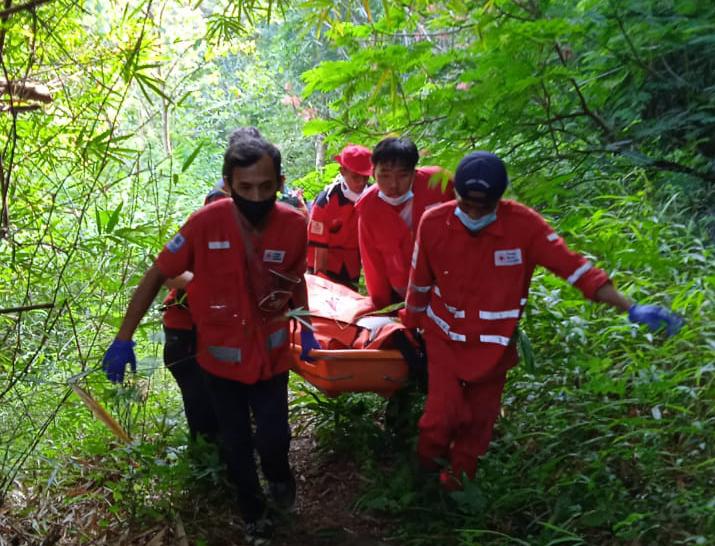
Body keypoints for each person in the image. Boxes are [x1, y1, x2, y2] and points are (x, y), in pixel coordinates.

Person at [401, 151, 684, 490]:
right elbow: (419, 280)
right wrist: (410, 322)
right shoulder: (434, 222)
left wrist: (630, 307)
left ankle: (457, 488)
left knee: (478, 424)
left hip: (494, 343)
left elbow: (576, 269)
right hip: (444, 335)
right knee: (441, 416)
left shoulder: (523, 227)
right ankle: (422, 476)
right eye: (467, 205)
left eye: (483, 207)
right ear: (456, 195)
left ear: (499, 200)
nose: (474, 214)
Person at [101, 136, 321, 545]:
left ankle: (279, 477)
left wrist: (307, 328)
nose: (256, 196)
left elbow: (295, 282)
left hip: (271, 358)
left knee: (274, 436)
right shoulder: (206, 222)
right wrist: (123, 338)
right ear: (228, 184)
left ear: (280, 182)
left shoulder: (294, 226)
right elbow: (157, 273)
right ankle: (253, 515)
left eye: (265, 186)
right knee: (235, 442)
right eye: (245, 188)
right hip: (219, 362)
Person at [356, 137, 454, 310]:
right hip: (401, 296)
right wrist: (383, 308)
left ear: (414, 173)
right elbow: (373, 264)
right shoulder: (368, 208)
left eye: (402, 175)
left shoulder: (439, 184)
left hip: (446, 288)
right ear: (373, 174)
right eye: (384, 176)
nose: (393, 185)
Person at [307, 144, 372, 290]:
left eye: (365, 177)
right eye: (355, 177)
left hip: (351, 266)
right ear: (343, 171)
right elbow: (320, 248)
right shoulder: (326, 201)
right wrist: (320, 284)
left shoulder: (372, 197)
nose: (361, 182)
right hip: (323, 263)